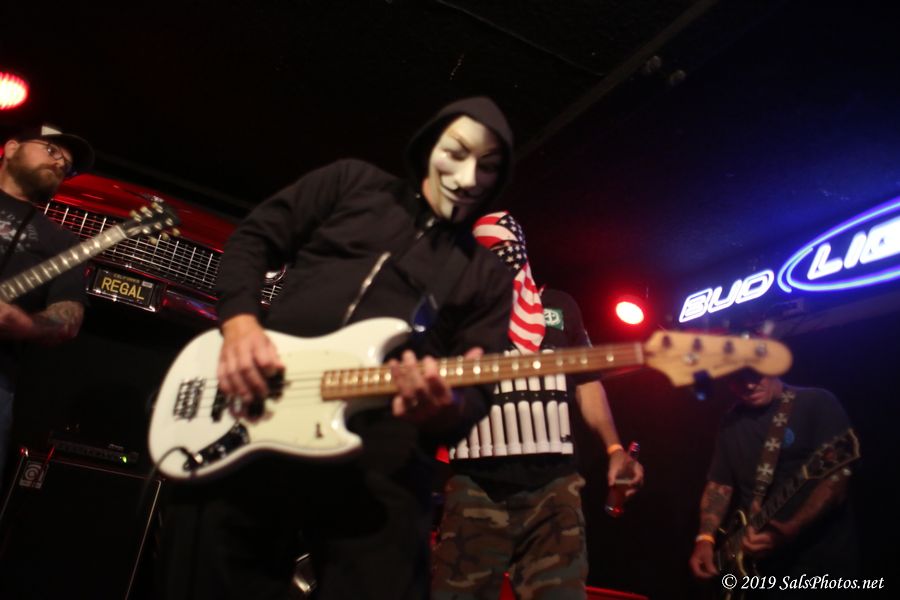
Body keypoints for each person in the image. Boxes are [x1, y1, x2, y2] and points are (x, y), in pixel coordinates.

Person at [158, 97, 516, 600]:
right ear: (428, 144)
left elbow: (475, 396)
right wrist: (240, 325)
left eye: (488, 166)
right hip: (259, 406)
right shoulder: (353, 183)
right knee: (209, 565)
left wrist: (444, 406)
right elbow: (253, 239)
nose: (468, 177)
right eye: (456, 153)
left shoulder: (488, 275)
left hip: (382, 453)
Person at [431, 211, 645, 600]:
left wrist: (614, 448)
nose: (499, 263)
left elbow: (588, 382)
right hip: (476, 487)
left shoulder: (560, 307)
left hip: (554, 487)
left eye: (506, 251)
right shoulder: (453, 318)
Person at [689, 372, 859, 593]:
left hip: (819, 563)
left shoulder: (816, 403)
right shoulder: (731, 422)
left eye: (755, 375)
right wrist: (705, 538)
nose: (749, 385)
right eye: (738, 379)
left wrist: (791, 529)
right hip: (758, 569)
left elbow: (836, 481)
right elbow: (720, 486)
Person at [0, 125, 93, 486]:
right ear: (11, 148)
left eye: (67, 166)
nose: (59, 164)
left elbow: (68, 318)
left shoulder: (62, 242)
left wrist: (24, 323)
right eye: (52, 150)